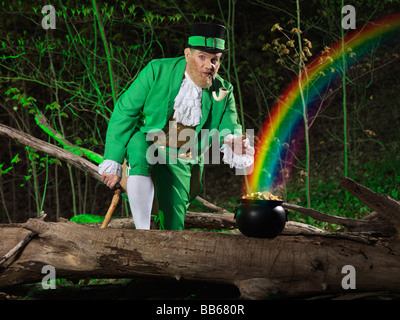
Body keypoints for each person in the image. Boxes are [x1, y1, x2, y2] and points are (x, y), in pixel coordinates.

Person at [98, 22, 254, 230]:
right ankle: (142, 232)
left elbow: (230, 125)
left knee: (173, 227)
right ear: (188, 54)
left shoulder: (223, 90)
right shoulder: (157, 70)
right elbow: (125, 111)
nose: (210, 65)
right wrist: (113, 159)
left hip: (183, 160)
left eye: (215, 59)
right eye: (203, 57)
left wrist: (234, 142)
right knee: (138, 144)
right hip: (148, 144)